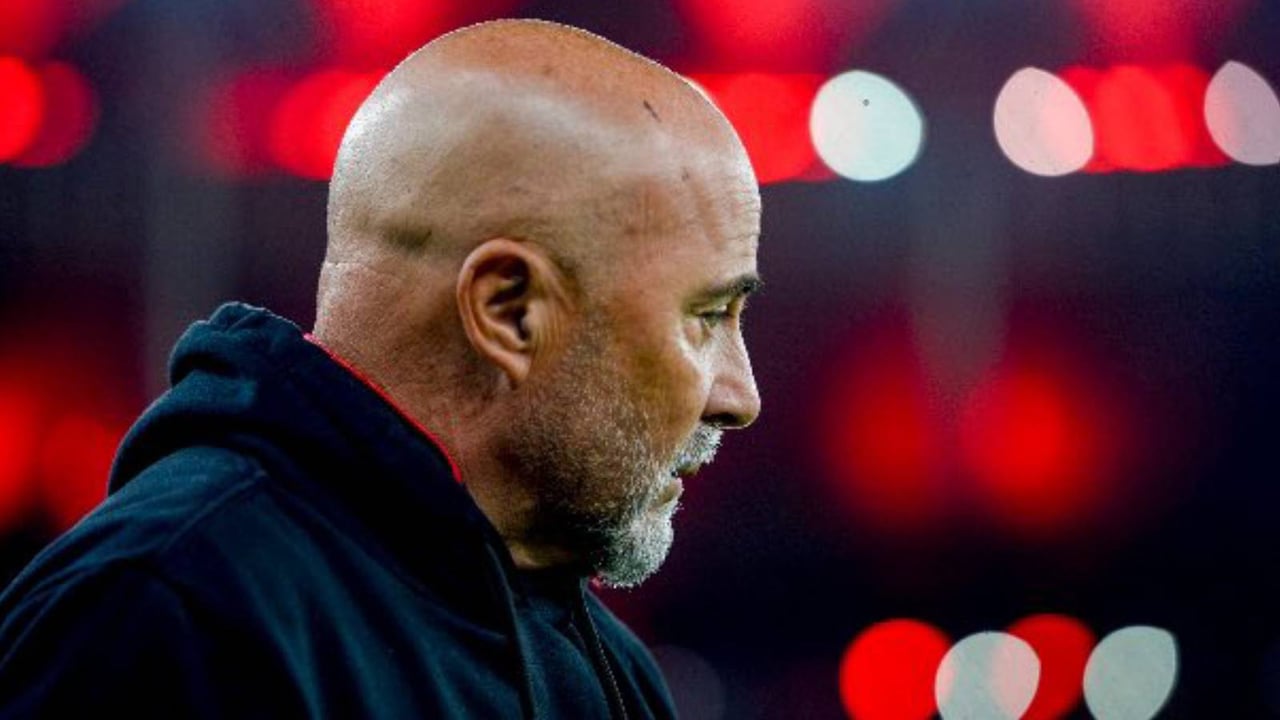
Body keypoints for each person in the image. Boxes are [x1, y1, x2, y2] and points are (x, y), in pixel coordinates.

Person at [0, 18, 761, 719]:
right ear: (509, 312)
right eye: (706, 316)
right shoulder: (166, 616)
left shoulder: (609, 671)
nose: (741, 396)